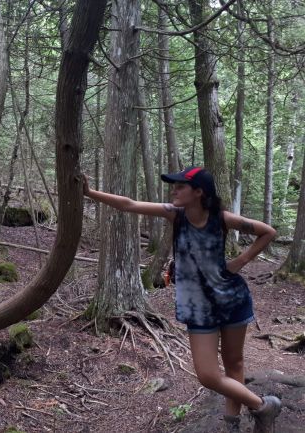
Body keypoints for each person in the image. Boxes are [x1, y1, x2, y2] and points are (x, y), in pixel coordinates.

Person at [83, 166, 281, 433]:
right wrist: (89, 192)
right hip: (198, 308)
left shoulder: (220, 219)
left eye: (180, 187)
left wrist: (241, 261)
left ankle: (231, 424)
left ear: (198, 192)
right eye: (173, 186)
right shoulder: (175, 216)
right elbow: (128, 204)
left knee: (234, 363)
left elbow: (268, 231)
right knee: (208, 375)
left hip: (232, 299)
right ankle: (263, 405)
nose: (173, 190)